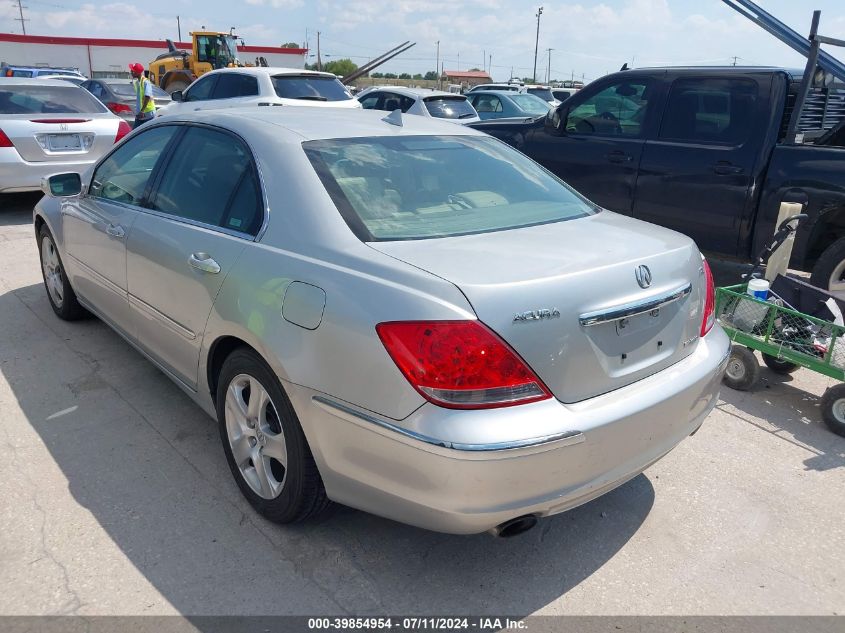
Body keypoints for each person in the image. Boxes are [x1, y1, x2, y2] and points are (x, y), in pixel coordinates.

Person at [129, 62, 155, 128]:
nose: (131, 72)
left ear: (137, 72)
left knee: (145, 134)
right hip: (140, 114)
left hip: (147, 114)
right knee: (135, 134)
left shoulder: (146, 82)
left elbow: (147, 96)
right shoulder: (137, 82)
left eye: (133, 71)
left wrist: (142, 111)